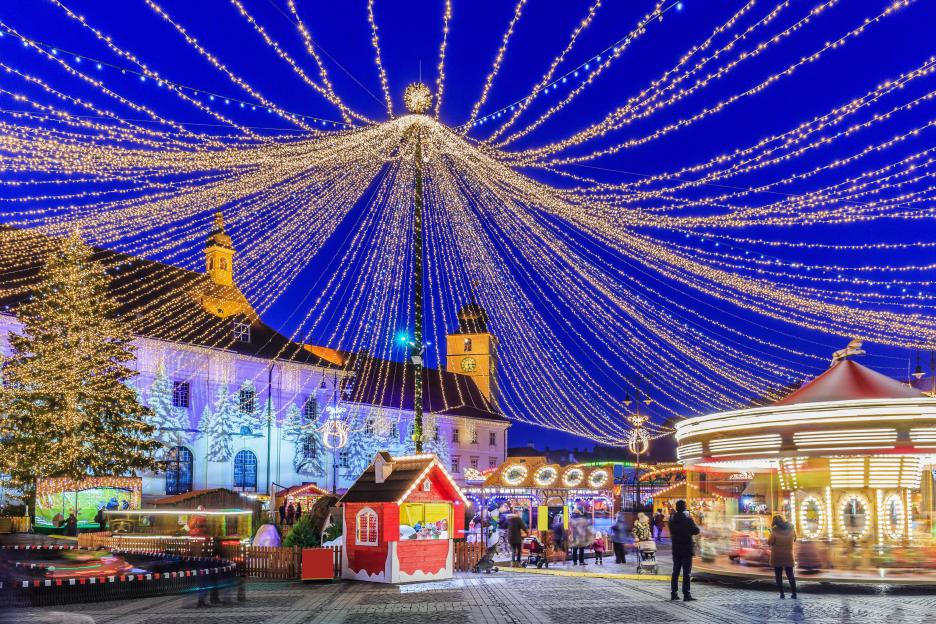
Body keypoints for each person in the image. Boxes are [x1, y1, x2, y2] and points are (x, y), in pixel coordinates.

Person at [668, 499, 700, 602]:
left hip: (676, 550)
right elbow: (696, 531)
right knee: (686, 573)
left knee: (675, 572)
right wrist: (691, 519)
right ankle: (686, 594)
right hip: (686, 549)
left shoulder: (672, 521)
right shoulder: (688, 520)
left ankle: (674, 594)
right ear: (685, 508)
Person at [768, 515, 797, 599]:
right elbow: (795, 539)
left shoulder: (774, 530)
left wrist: (770, 533)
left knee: (778, 575)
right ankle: (794, 593)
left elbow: (770, 542)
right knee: (790, 575)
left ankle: (782, 594)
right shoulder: (792, 528)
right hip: (788, 555)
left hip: (777, 556)